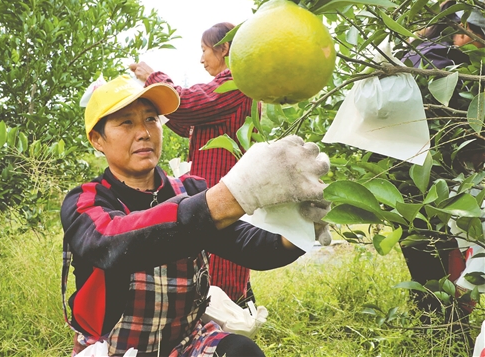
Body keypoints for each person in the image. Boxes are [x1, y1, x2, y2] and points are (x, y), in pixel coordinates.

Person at [60, 74, 331, 356]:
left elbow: (250, 246)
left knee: (242, 351)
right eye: (126, 122)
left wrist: (297, 228)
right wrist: (232, 194)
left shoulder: (189, 190)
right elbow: (111, 242)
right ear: (97, 139)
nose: (144, 132)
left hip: (186, 343)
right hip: (112, 348)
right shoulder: (86, 201)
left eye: (151, 119)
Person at [129, 22, 256, 307]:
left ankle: (225, 330)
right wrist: (155, 100)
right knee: (213, 259)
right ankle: (222, 319)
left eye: (204, 51)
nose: (201, 59)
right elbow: (186, 120)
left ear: (224, 49)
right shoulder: (234, 88)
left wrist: (154, 78)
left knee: (222, 264)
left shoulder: (236, 83)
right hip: (216, 193)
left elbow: (188, 103)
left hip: (222, 193)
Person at [399, 1, 485, 343]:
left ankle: (437, 328)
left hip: (412, 176)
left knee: (427, 258)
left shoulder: (417, 54)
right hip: (437, 180)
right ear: (462, 32)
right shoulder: (443, 59)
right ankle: (446, 332)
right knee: (444, 260)